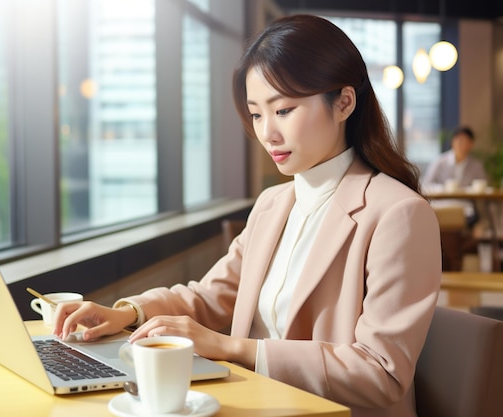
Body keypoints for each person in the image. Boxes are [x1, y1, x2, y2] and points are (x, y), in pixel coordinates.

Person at [54, 14, 441, 417]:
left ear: (344, 102)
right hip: (254, 405)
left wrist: (231, 347)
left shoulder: (398, 214)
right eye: (257, 114)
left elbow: (381, 373)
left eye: (284, 110)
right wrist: (127, 313)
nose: (268, 133)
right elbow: (209, 297)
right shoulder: (273, 204)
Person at [422, 126, 488, 227]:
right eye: (459, 141)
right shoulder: (440, 162)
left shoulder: (476, 166)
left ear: (471, 144)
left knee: (474, 220)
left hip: (465, 206)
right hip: (442, 205)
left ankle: (464, 242)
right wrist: (444, 188)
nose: (462, 145)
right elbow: (426, 184)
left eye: (466, 142)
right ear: (453, 142)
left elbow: (482, 186)